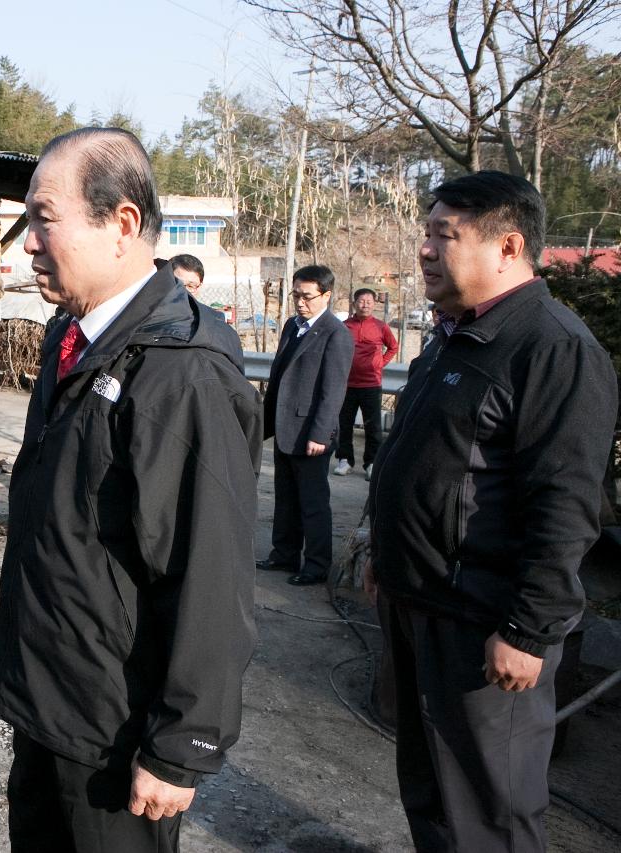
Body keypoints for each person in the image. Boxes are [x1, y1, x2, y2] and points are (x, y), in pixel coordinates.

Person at [0, 127, 260, 852]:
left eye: (45, 219)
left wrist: (183, 744)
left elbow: (213, 576)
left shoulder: (183, 374)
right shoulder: (72, 337)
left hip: (116, 728)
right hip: (52, 700)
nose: (28, 243)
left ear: (123, 225)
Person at [367, 170, 617, 852]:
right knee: (431, 795)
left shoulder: (552, 346)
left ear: (508, 247)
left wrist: (529, 630)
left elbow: (564, 505)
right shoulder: (455, 335)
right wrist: (384, 560)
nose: (424, 249)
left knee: (488, 813)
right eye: (425, 232)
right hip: (421, 604)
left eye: (442, 236)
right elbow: (422, 461)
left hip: (484, 625)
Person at [257, 264, 353, 586]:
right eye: (296, 295)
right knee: (285, 498)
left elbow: (333, 390)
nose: (300, 302)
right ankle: (284, 554)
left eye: (307, 296)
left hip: (311, 433)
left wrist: (320, 433)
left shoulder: (336, 334)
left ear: (326, 295)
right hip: (286, 428)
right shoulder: (291, 326)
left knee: (312, 504)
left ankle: (316, 565)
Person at [334, 288, 398, 480]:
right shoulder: (344, 326)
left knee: (373, 426)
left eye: (369, 301)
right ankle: (344, 460)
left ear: (374, 304)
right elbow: (335, 351)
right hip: (347, 385)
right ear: (354, 303)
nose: (365, 304)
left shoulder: (380, 326)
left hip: (371, 384)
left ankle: (372, 463)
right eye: (361, 301)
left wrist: (380, 363)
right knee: (344, 424)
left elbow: (393, 347)